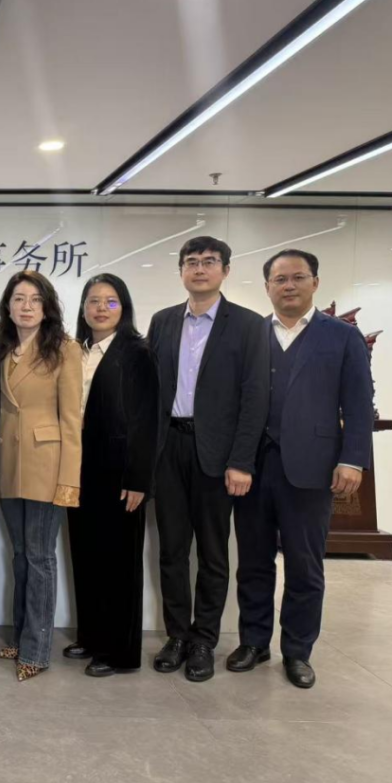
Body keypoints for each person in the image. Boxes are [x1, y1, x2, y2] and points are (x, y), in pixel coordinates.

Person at [228, 250, 372, 689]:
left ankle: (297, 651)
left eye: (297, 277)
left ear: (315, 283)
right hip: (252, 467)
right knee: (253, 561)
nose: (288, 286)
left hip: (313, 468)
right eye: (279, 279)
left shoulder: (342, 336)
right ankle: (254, 642)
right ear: (267, 286)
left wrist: (353, 458)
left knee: (305, 566)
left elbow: (358, 403)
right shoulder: (252, 333)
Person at [147, 236, 268, 682]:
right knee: (172, 550)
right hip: (169, 449)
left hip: (218, 455)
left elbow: (255, 398)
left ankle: (204, 640)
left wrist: (242, 461)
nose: (200, 269)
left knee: (214, 554)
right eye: (192, 262)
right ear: (181, 270)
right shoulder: (163, 321)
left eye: (209, 261)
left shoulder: (248, 325)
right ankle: (177, 635)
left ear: (225, 270)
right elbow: (150, 391)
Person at [64, 274, 158, 677]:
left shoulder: (137, 352)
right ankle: (91, 635)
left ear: (124, 308)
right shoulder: (77, 351)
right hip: (79, 468)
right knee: (86, 555)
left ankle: (119, 652)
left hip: (119, 473)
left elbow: (147, 418)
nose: (101, 308)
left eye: (111, 301)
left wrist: (138, 479)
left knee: (118, 562)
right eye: (93, 301)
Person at [0, 270, 82, 682]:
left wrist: (69, 480)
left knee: (40, 558)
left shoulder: (64, 349)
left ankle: (37, 650)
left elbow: (72, 422)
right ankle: (20, 638)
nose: (26, 306)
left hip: (47, 465)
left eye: (34, 299)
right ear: (8, 306)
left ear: (46, 308)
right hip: (8, 464)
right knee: (20, 556)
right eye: (18, 299)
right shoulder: (1, 350)